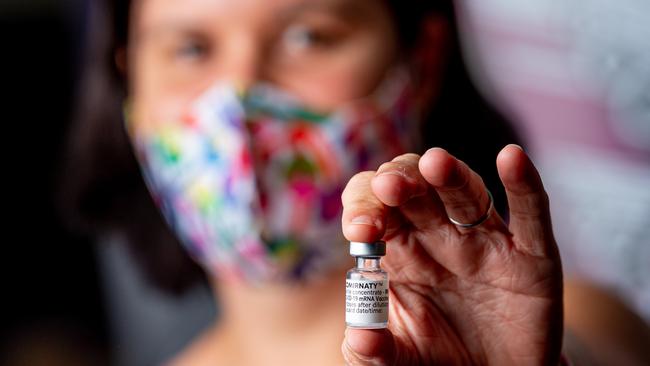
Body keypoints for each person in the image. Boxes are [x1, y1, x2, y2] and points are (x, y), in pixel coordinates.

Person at [60, 0, 649, 365]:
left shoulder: (571, 331)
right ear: (128, 83)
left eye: (309, 36)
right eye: (191, 48)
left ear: (422, 61)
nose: (238, 96)